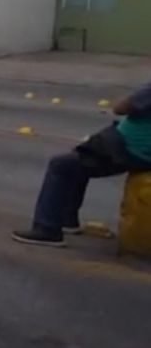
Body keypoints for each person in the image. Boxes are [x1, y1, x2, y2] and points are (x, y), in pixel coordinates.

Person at [13, 81, 151, 247]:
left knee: (61, 165)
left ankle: (47, 229)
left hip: (130, 149)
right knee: (81, 157)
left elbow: (120, 108)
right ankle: (67, 219)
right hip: (136, 149)